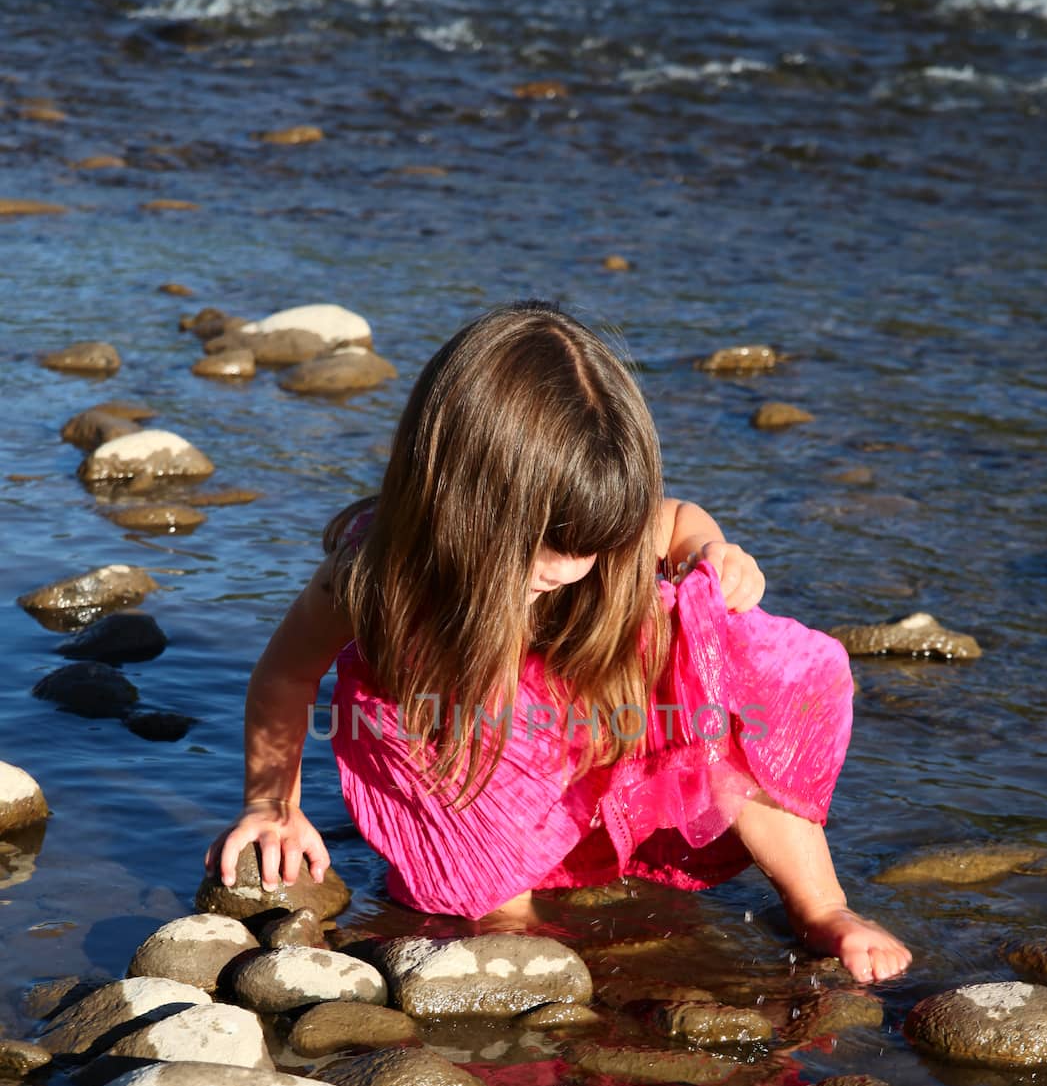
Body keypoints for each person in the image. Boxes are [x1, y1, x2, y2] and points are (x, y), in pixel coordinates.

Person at [205, 301, 911, 985]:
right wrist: (273, 804)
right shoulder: (373, 576)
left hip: (578, 706)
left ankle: (821, 906)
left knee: (726, 664)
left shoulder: (587, 526)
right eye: (548, 547)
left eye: (592, 547)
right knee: (500, 917)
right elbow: (286, 677)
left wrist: (714, 551)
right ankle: (512, 922)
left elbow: (677, 519)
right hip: (453, 735)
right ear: (455, 503)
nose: (569, 569)